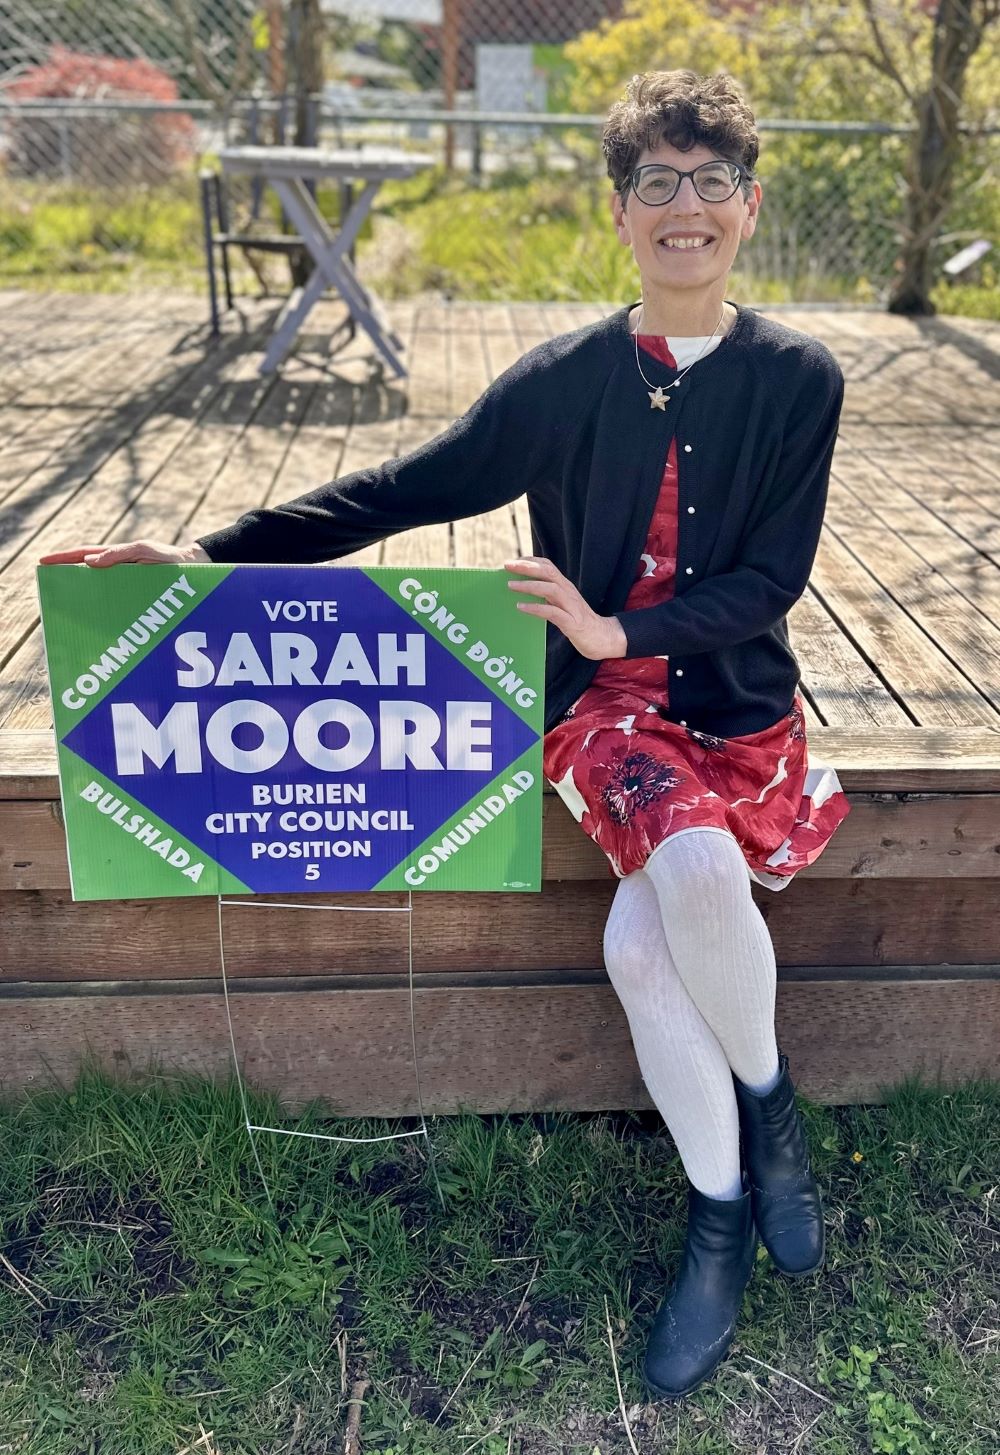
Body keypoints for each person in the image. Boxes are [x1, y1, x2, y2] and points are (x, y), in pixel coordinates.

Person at [41, 69, 851, 1402]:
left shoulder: (797, 380)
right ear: (621, 212)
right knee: (696, 879)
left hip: (731, 701)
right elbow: (401, 491)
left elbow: (769, 583)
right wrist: (202, 553)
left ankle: (746, 1149)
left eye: (713, 182)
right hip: (600, 717)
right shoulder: (564, 382)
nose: (686, 207)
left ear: (750, 208)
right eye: (658, 182)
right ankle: (740, 1173)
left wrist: (616, 626)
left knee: (642, 944)